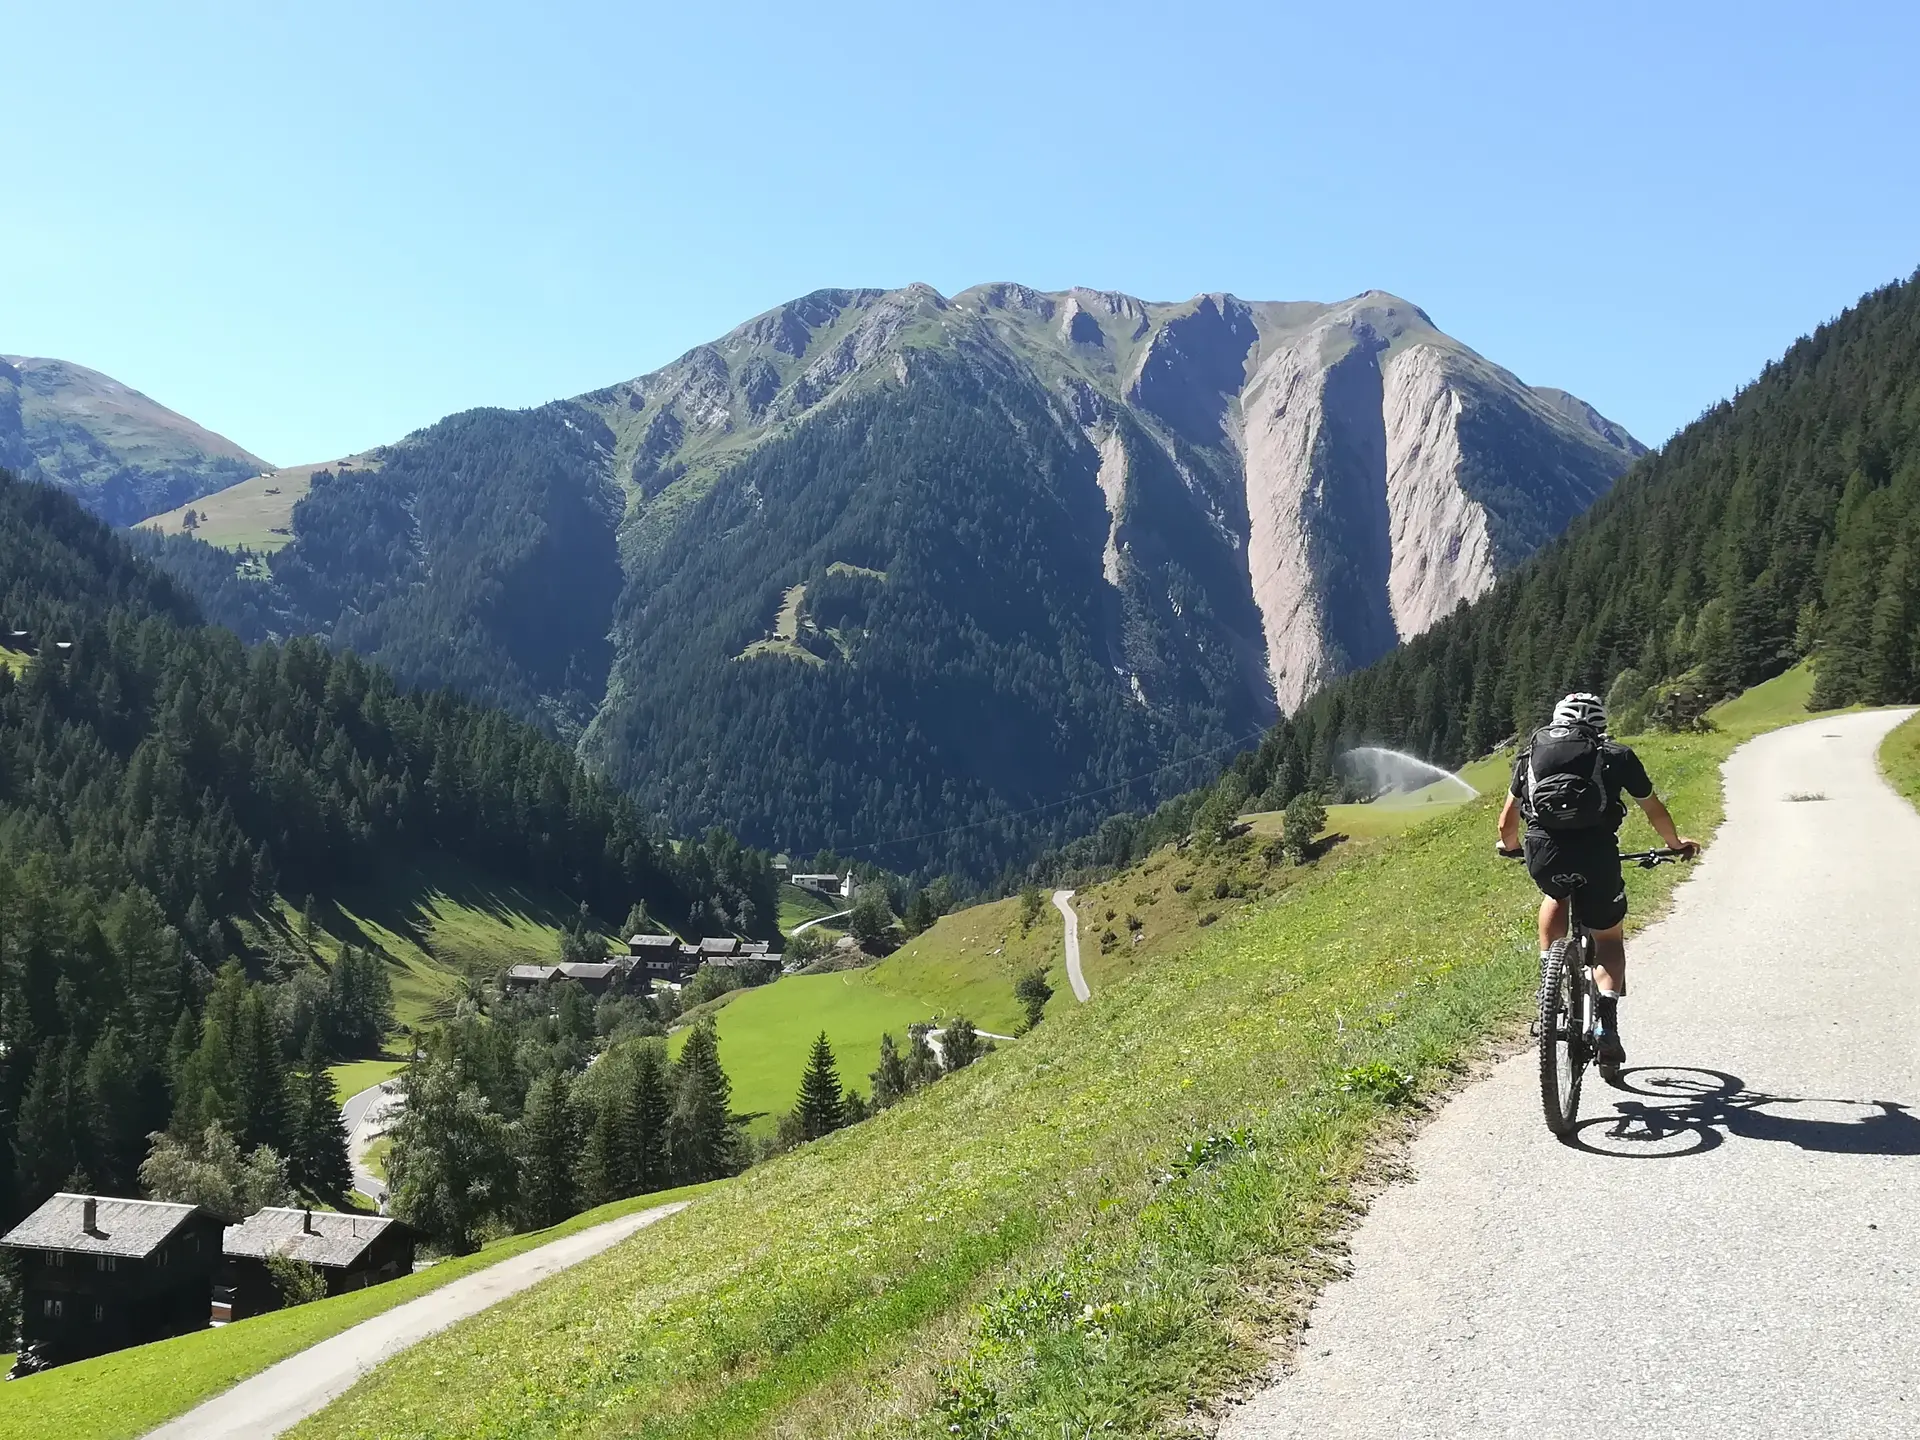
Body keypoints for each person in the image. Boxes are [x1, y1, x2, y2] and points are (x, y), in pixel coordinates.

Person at [1495, 692, 1699, 1068]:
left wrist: (1510, 847)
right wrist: (1675, 843)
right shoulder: (1616, 755)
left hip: (1544, 853)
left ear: (1557, 722)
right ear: (1602, 724)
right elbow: (1652, 807)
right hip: (1597, 855)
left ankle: (1548, 983)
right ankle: (1606, 1021)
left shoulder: (1531, 755)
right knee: (1608, 936)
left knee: (1555, 895)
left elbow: (1507, 823)